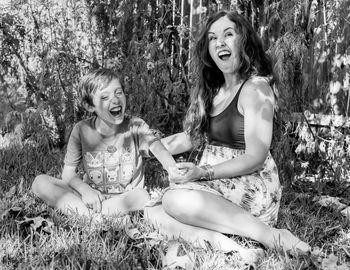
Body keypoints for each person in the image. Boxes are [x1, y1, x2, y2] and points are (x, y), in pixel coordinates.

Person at [144, 10, 311, 262]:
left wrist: (203, 173)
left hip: (251, 184)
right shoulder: (213, 90)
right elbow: (191, 138)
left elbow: (255, 157)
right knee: (153, 212)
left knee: (174, 200)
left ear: (244, 40)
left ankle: (272, 236)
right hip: (217, 186)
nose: (219, 42)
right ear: (208, 50)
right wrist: (146, 145)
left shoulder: (256, 88)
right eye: (212, 38)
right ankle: (235, 249)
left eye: (228, 34)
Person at [31, 68, 178, 219]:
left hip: (125, 199)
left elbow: (157, 148)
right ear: (90, 106)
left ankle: (84, 215)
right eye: (105, 97)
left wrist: (173, 169)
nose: (114, 100)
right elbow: (68, 174)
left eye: (118, 92)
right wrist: (85, 190)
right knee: (39, 182)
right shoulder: (81, 130)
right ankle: (92, 216)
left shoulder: (136, 125)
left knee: (142, 196)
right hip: (92, 197)